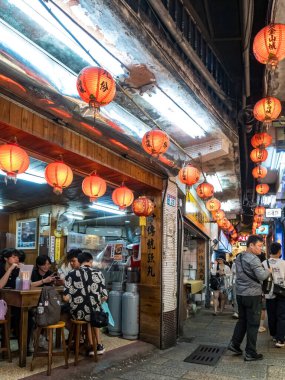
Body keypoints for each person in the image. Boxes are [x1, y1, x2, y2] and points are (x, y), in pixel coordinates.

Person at [228, 235, 272, 361]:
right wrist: (268, 270)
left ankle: (235, 344)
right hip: (252, 296)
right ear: (251, 245)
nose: (261, 248)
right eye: (259, 245)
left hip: (241, 294)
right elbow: (262, 276)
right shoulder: (253, 259)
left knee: (242, 320)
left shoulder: (239, 257)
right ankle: (250, 352)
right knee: (253, 324)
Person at [63, 251, 108, 356]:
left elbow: (65, 298)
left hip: (78, 313)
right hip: (95, 314)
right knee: (93, 313)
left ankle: (89, 345)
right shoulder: (99, 274)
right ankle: (98, 345)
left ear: (79, 261)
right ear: (91, 261)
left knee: (86, 315)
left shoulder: (71, 274)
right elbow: (105, 297)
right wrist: (95, 302)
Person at [262, 242, 285, 348]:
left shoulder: (264, 263)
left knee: (271, 315)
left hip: (269, 292)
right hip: (282, 293)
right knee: (281, 316)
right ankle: (280, 339)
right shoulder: (283, 263)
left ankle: (274, 335)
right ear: (279, 251)